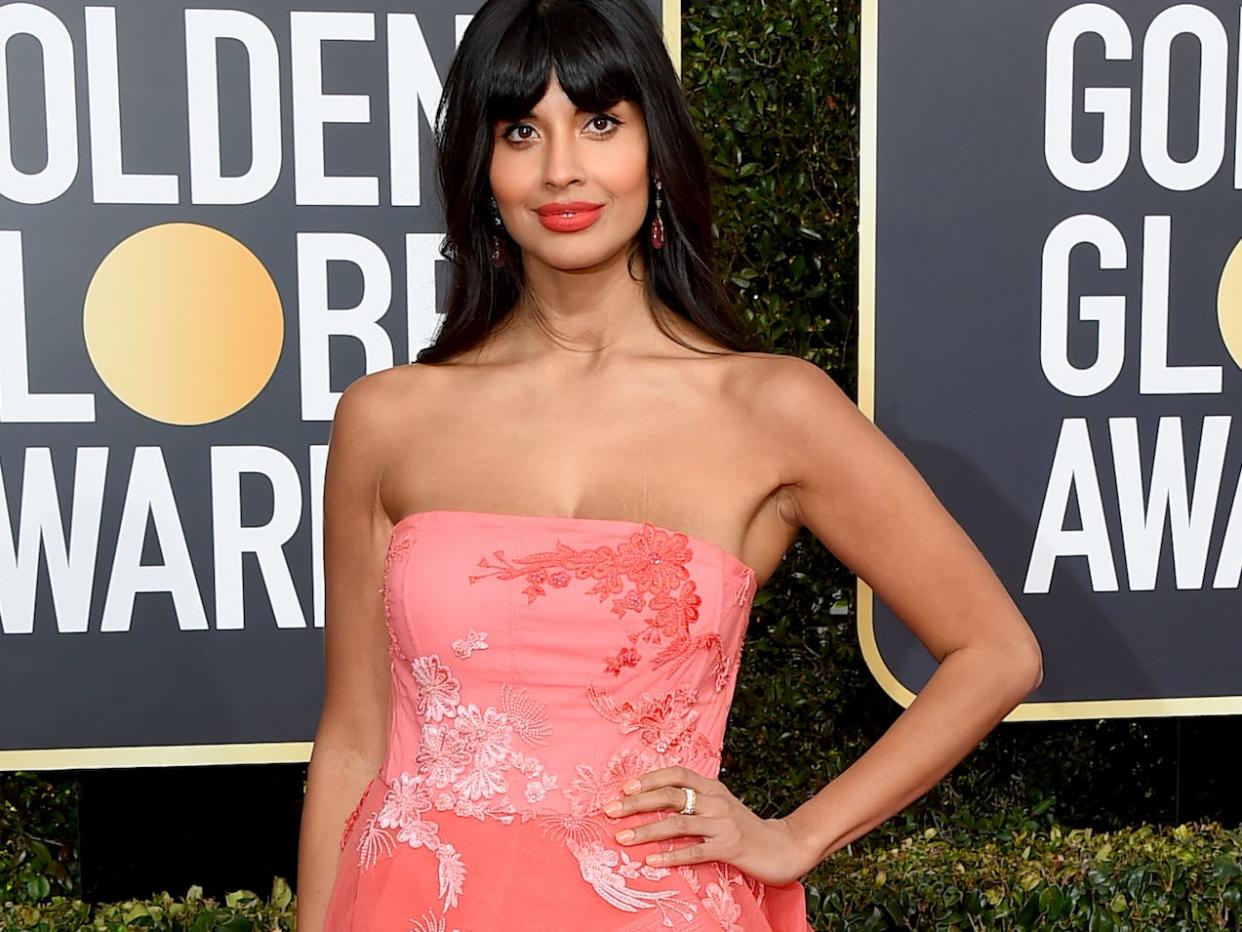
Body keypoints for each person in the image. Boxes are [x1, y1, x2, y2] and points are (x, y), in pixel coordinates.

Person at [295, 0, 1044, 928]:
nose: (561, 167)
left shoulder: (772, 407)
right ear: (482, 172)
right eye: (522, 130)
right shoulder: (389, 417)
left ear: (656, 149)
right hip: (414, 902)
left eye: (601, 123)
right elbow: (353, 742)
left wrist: (796, 837)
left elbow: (996, 652)